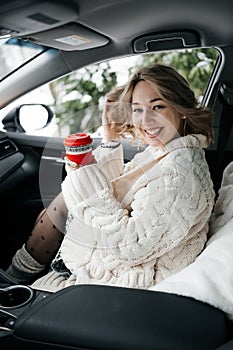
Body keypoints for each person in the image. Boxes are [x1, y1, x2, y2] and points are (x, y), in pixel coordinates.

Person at [6, 64, 215, 293]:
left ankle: (13, 279)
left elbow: (132, 246)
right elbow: (119, 186)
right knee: (62, 203)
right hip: (118, 261)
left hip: (128, 281)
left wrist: (85, 182)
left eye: (158, 106)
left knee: (67, 200)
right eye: (137, 109)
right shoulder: (164, 151)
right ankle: (15, 278)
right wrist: (110, 134)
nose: (145, 120)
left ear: (181, 109)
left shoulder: (181, 171)